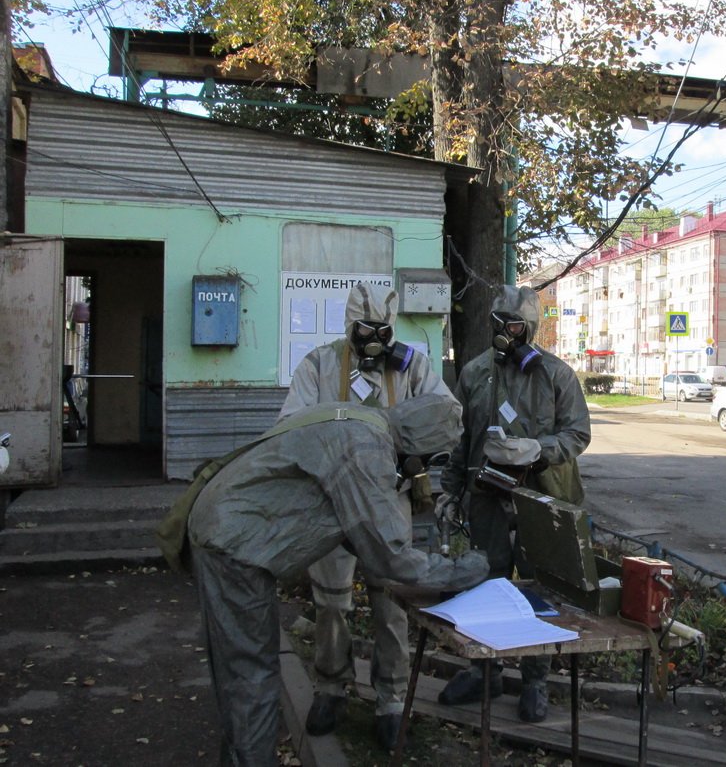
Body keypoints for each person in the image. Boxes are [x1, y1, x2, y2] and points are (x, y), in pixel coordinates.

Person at [188, 398, 488, 767]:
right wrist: (465, 569)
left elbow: (348, 520)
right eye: (430, 460)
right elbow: (390, 555)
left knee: (239, 672)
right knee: (252, 675)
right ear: (418, 449)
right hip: (235, 547)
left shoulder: (361, 421)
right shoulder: (367, 449)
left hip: (227, 529)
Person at [279, 282, 460, 749]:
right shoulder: (320, 364)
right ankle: (330, 688)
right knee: (331, 603)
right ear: (349, 326)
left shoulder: (412, 365)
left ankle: (392, 699)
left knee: (391, 603)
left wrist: (417, 452)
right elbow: (288, 425)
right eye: (365, 330)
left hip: (388, 502)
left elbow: (448, 415)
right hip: (332, 504)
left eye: (382, 329)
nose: (374, 339)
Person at [435, 285, 591, 722]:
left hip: (543, 496)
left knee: (540, 587)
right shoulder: (475, 374)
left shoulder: (556, 375)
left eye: (515, 325)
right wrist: (448, 489)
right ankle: (483, 669)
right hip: (486, 496)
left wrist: (539, 450)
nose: (505, 332)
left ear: (532, 329)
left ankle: (535, 679)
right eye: (498, 324)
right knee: (487, 582)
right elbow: (459, 438)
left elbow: (578, 434)